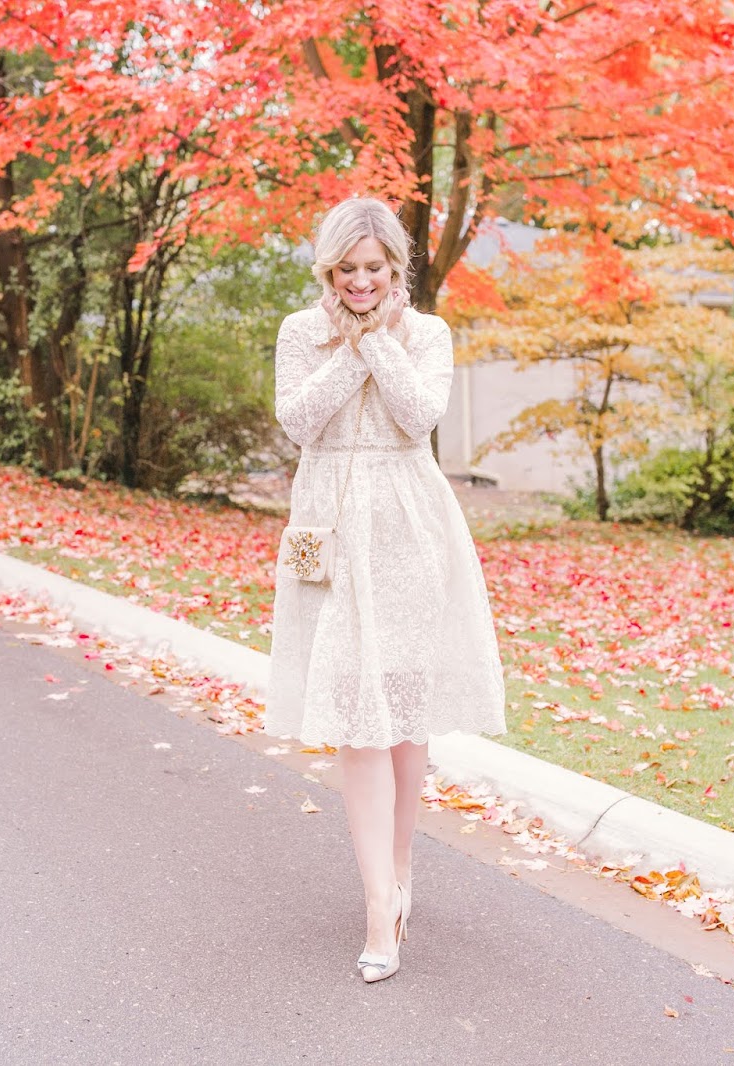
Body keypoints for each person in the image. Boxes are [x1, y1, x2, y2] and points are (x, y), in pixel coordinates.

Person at [266, 197, 507, 983]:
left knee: (403, 715)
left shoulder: (427, 334)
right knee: (356, 718)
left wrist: (379, 341)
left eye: (374, 268)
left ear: (395, 267)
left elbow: (418, 416)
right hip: (332, 530)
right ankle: (379, 907)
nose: (361, 282)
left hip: (408, 530)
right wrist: (352, 344)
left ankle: (400, 873)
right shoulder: (300, 332)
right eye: (347, 269)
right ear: (328, 269)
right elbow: (299, 423)